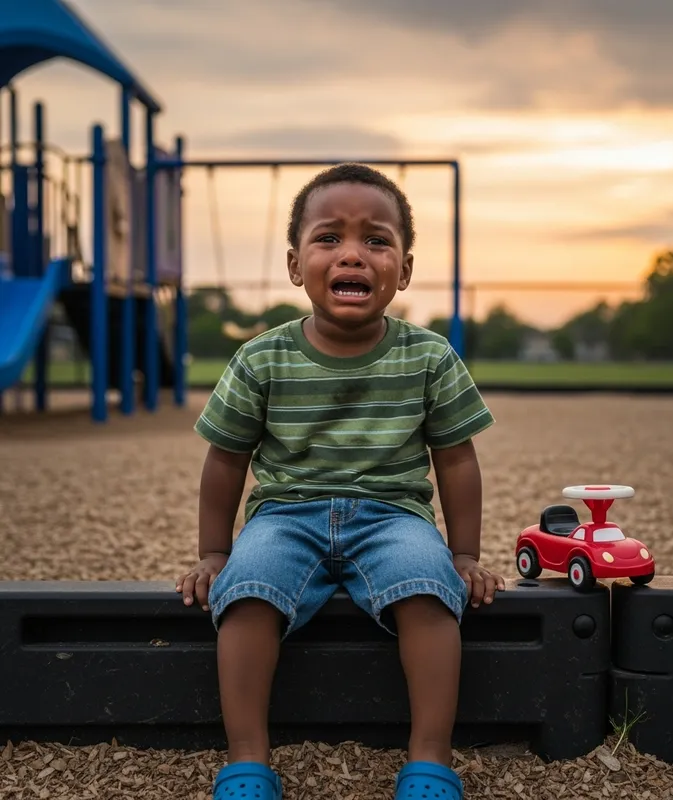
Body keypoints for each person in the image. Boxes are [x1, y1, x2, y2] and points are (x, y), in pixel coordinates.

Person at [176, 163, 504, 800]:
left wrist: (463, 555)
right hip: (283, 516)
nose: (353, 253)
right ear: (297, 263)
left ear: (404, 270)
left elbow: (457, 461)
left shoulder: (430, 357)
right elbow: (225, 461)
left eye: (377, 241)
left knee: (430, 589)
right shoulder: (262, 357)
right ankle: (247, 761)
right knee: (246, 590)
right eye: (329, 238)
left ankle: (430, 761)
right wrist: (216, 553)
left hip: (393, 517)